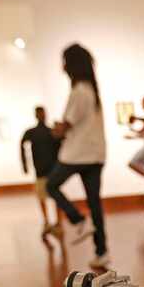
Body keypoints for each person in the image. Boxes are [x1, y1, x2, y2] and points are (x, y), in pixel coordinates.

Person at [46, 43, 110, 269]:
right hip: (95, 154)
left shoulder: (80, 91)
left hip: (78, 154)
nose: (62, 66)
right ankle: (102, 251)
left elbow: (66, 126)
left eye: (64, 61)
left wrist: (56, 131)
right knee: (95, 204)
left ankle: (77, 219)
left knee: (51, 186)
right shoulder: (91, 90)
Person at [21, 106, 62, 236]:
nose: (41, 116)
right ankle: (46, 222)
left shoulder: (51, 132)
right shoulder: (32, 132)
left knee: (56, 197)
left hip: (53, 171)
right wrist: (25, 164)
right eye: (39, 114)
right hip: (41, 171)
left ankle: (58, 223)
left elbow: (61, 146)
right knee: (42, 197)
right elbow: (22, 145)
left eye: (42, 113)